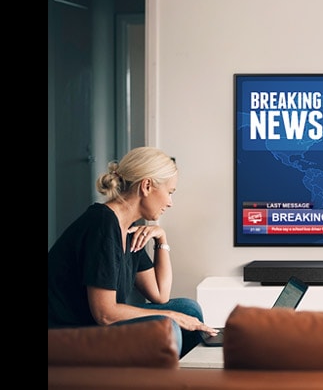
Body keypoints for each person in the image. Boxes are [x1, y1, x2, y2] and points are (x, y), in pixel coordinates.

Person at [48, 146, 218, 358]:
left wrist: (161, 238)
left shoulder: (128, 229)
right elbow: (106, 314)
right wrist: (172, 317)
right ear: (146, 186)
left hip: (93, 328)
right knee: (168, 326)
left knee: (188, 309)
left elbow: (159, 294)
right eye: (170, 192)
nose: (170, 203)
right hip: (66, 336)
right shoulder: (102, 224)